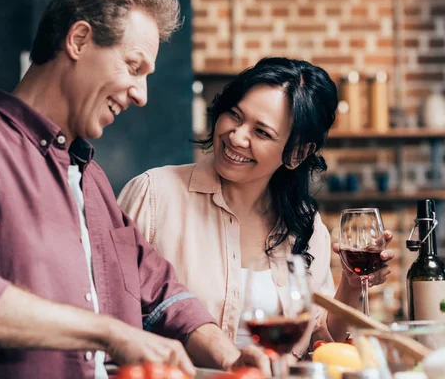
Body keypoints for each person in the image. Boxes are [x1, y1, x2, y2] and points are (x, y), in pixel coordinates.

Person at [0, 0, 270, 378]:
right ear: (78, 40)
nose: (142, 94)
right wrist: (109, 333)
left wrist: (229, 357)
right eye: (133, 67)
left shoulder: (89, 178)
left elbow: (161, 292)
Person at [118, 57, 395, 360]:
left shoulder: (306, 225)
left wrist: (352, 286)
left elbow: (320, 338)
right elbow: (111, 310)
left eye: (262, 132)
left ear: (297, 153)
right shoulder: (154, 195)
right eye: (234, 115)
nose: (236, 136)